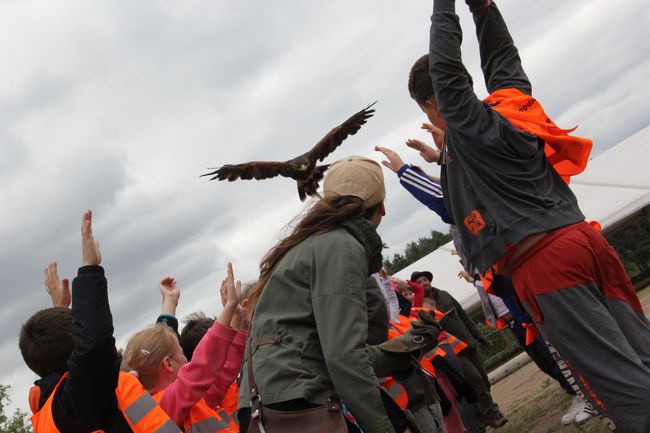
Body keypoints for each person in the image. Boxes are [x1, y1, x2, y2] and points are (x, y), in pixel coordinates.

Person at [408, 0, 650, 431]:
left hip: (544, 265)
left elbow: (447, 73)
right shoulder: (511, 105)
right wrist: (482, 9)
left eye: (429, 106)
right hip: (581, 238)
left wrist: (443, 7)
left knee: (618, 384)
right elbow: (503, 58)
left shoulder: (468, 122)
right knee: (642, 354)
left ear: (434, 102)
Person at [238, 156, 405, 433]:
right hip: (296, 404)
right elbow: (344, 357)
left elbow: (315, 346)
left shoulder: (310, 242)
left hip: (271, 402)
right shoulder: (341, 247)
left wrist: (403, 350)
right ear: (382, 208)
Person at [20, 210, 181, 433]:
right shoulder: (82, 399)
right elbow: (93, 345)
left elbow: (71, 357)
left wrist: (60, 309)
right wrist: (90, 268)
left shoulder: (52, 412)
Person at [121, 263, 246, 432]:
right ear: (168, 364)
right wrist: (229, 306)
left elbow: (224, 370)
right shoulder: (164, 405)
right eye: (181, 353)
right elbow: (202, 367)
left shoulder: (184, 400)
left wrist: (236, 319)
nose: (188, 360)